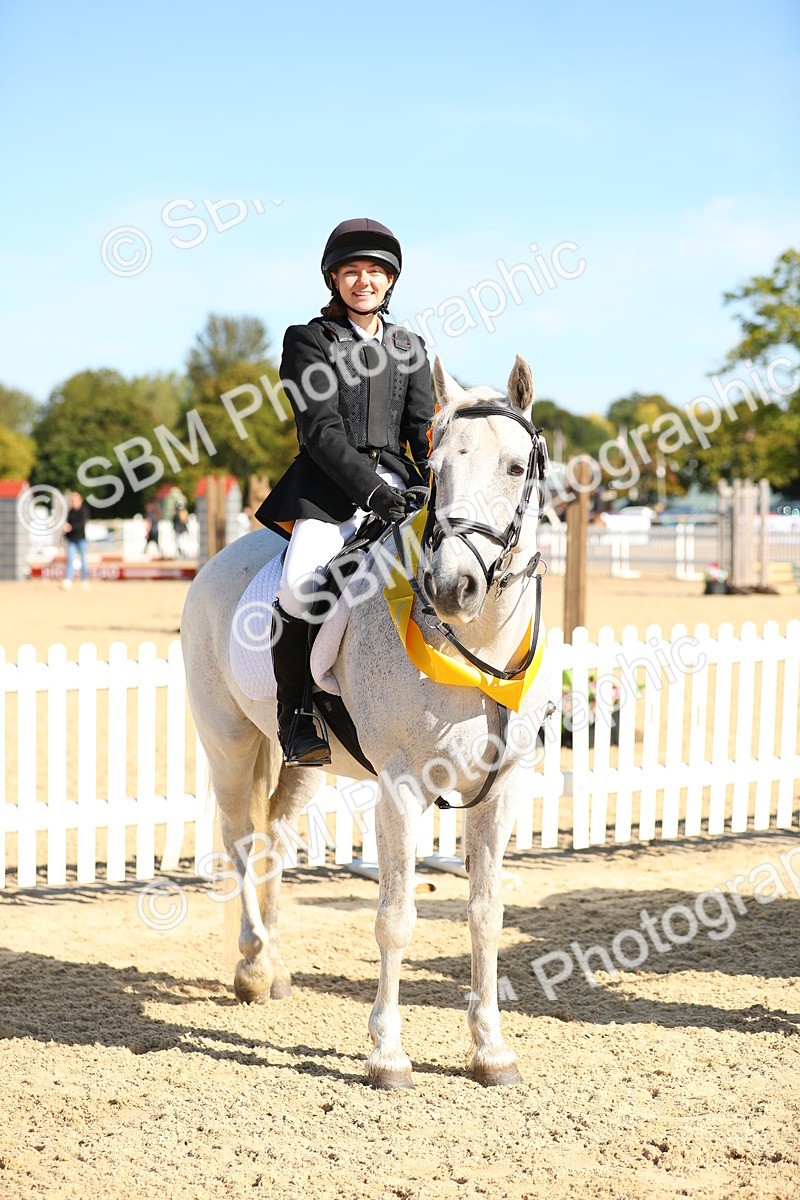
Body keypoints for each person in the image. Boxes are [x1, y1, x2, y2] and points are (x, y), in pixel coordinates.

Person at [256, 217, 433, 767]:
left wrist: (426, 484)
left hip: (398, 487)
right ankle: (296, 717)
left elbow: (422, 429)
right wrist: (371, 492)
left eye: (375, 272)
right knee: (297, 586)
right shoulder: (308, 339)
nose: (364, 281)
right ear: (334, 279)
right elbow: (320, 431)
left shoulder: (410, 345)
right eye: (352, 271)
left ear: (390, 282)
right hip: (329, 490)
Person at [62, 491, 90, 590]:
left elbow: (81, 525)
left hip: (81, 539)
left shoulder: (83, 511)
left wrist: (71, 527)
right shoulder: (70, 512)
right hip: (71, 540)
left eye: (75, 500)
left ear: (80, 500)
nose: (73, 503)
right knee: (70, 560)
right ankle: (68, 580)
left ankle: (85, 580)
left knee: (83, 560)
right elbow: (67, 525)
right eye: (72, 501)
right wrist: (65, 533)